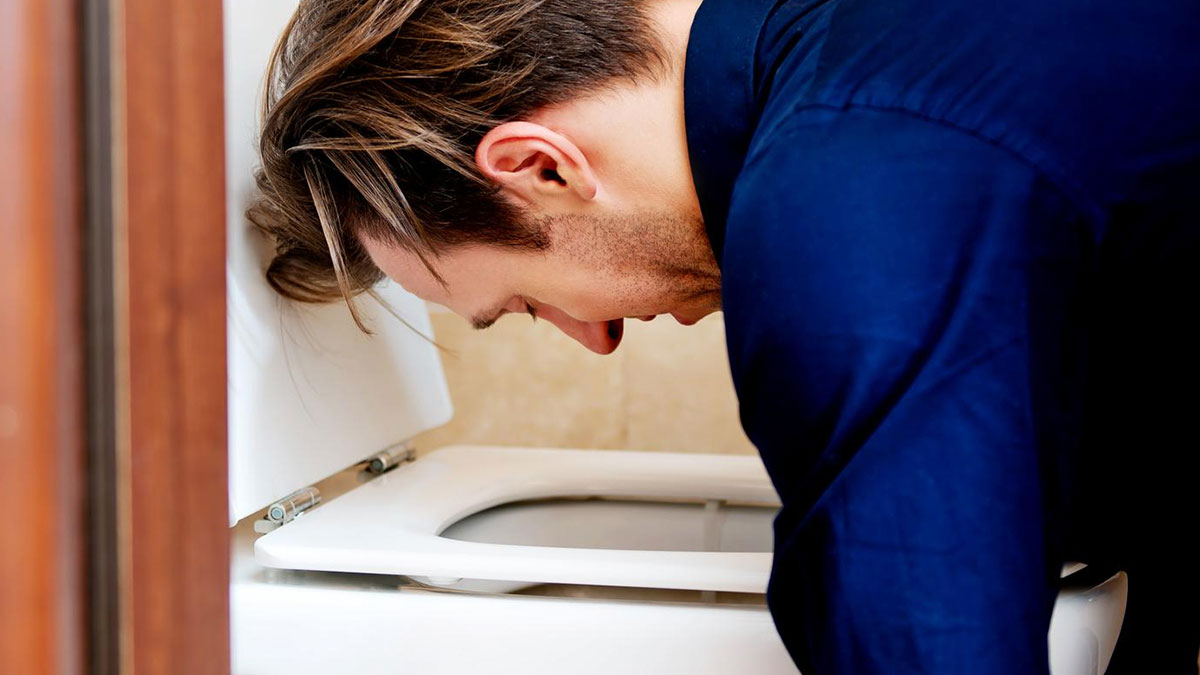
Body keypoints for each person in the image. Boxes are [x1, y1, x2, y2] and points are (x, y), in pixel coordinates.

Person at [249, 0, 1200, 671]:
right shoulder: (859, 46)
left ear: (540, 166)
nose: (595, 339)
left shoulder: (842, 206)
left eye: (527, 301)